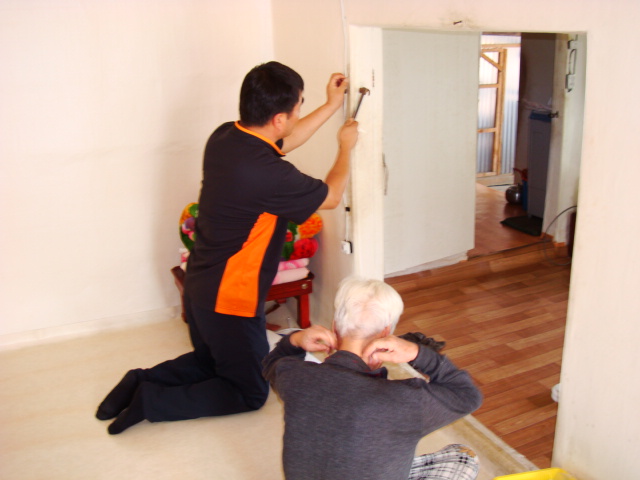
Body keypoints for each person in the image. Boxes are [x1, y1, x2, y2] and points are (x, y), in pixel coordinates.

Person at [96, 62, 358, 434]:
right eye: (299, 105)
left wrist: (332, 105)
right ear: (279, 118)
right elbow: (330, 196)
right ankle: (152, 401)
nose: (300, 112)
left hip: (200, 285)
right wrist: (345, 148)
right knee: (249, 392)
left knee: (210, 362)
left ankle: (137, 380)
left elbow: (286, 139)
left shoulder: (225, 137)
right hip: (231, 298)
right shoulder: (269, 174)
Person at [262, 277, 483, 480]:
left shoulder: (296, 376)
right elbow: (467, 396)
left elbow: (270, 364)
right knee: (463, 457)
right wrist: (417, 353)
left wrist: (295, 340)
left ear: (334, 327)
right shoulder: (405, 399)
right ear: (386, 334)